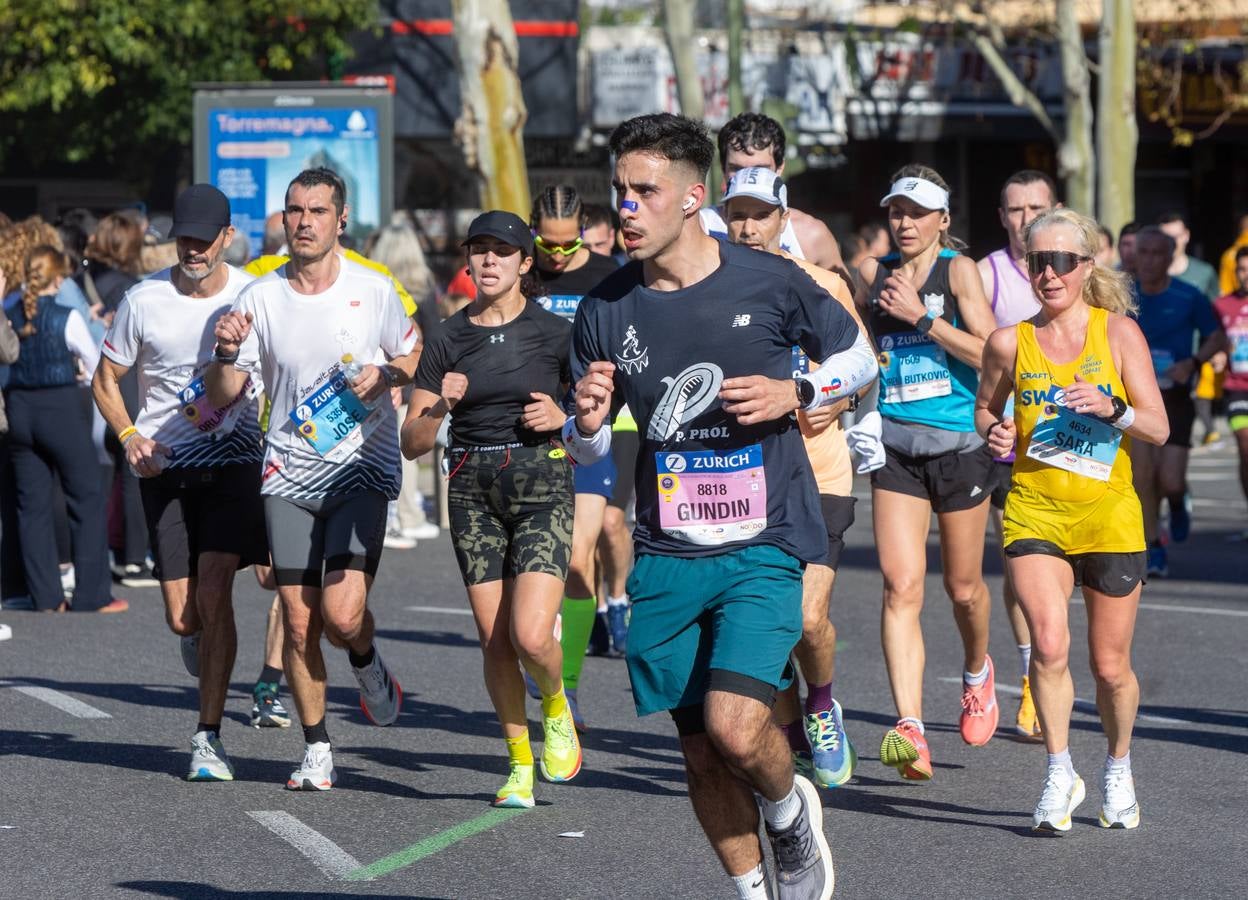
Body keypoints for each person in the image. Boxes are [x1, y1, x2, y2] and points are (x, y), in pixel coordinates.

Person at [569, 113, 876, 900]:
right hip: (668, 551)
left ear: (692, 197)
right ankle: (751, 891)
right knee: (701, 751)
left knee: (737, 726)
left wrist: (797, 389)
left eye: (645, 191)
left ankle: (786, 809)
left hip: (766, 536)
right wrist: (588, 425)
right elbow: (590, 455)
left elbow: (858, 359)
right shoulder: (606, 306)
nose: (626, 208)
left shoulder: (768, 279)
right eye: (620, 191)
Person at [206, 167, 421, 790]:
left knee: (342, 613)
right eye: (294, 210)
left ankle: (365, 657)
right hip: (288, 472)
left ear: (340, 219)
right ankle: (317, 746)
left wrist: (388, 377)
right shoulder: (258, 297)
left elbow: (413, 352)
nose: (304, 222)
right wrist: (223, 354)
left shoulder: (374, 288)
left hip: (362, 467)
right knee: (298, 621)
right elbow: (224, 395)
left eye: (317, 211)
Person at [975, 207, 1169, 831]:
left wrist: (1113, 409)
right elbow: (984, 410)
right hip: (1035, 508)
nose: (1050, 273)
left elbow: (1158, 427)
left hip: (1109, 514)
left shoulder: (1118, 335)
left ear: (1087, 268)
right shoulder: (1010, 341)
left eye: (1063, 261)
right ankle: (1060, 772)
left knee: (1110, 667)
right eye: (1039, 261)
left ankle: (1117, 767)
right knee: (1049, 644)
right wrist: (996, 430)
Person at [93, 184, 275, 780]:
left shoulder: (256, 293)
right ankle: (198, 639)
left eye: (204, 239)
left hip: (234, 463)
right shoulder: (142, 299)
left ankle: (209, 736)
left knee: (217, 589)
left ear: (227, 237)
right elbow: (106, 379)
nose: (192, 250)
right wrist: (129, 438)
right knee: (183, 615)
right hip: (163, 466)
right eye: (184, 239)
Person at [401, 210, 582, 808]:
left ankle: (555, 704)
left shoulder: (557, 334)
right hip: (471, 485)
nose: (487, 261)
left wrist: (565, 417)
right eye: (478, 250)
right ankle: (519, 765)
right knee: (493, 639)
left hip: (541, 482)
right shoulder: (449, 337)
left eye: (501, 252)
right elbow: (413, 441)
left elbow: (596, 414)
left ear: (526, 263)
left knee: (531, 636)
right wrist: (439, 406)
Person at [723, 165, 870, 789]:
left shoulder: (821, 284)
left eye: (761, 213)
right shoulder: (711, 290)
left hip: (820, 470)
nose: (749, 226)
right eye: (739, 214)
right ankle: (783, 730)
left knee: (808, 620)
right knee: (768, 621)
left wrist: (821, 395)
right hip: (742, 477)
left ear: (786, 218)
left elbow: (860, 369)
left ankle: (820, 707)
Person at [856, 165, 1000, 781]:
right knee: (900, 585)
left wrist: (922, 320)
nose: (905, 222)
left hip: (960, 446)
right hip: (896, 449)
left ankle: (977, 671)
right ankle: (910, 725)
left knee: (963, 589)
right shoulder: (875, 273)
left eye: (917, 212)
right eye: (896, 211)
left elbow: (996, 351)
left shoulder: (958, 271)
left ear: (943, 219)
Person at [527, 185, 625, 728]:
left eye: (568, 246)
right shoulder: (520, 267)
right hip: (527, 432)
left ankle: (565, 690)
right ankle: (536, 651)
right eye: (549, 245)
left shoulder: (610, 273)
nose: (557, 257)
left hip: (588, 429)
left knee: (579, 558)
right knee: (533, 567)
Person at [975, 169, 1059, 740]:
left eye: (1036, 208)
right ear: (1002, 216)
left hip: (1080, 443)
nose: (1026, 219)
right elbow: (981, 356)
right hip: (1015, 446)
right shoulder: (989, 274)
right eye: (1015, 210)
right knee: (1021, 562)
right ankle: (1034, 671)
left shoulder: (1080, 267)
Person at [5, 246, 126, 613]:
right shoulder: (66, 316)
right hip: (59, 406)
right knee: (86, 497)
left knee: (32, 505)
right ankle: (91, 594)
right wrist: (76, 373)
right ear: (58, 279)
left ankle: (44, 596)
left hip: (18, 409)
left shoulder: (9, 312)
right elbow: (93, 366)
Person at [1129, 226, 1224, 577]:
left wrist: (1193, 363)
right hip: (1135, 397)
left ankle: (1177, 500)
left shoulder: (1189, 295)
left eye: (1158, 253)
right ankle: (1154, 547)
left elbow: (1217, 337)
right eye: (1145, 253)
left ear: (1171, 258)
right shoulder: (1124, 295)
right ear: (1135, 256)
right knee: (1143, 475)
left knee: (1169, 478)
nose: (1151, 260)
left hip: (1175, 396)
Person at [364, 211, 442, 547]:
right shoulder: (424, 291)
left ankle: (395, 516)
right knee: (407, 452)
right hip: (414, 382)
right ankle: (407, 515)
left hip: (379, 378)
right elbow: (435, 339)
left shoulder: (375, 287)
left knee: (385, 448)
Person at [700, 112, 847, 280]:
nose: (748, 178)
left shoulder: (811, 235)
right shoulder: (697, 228)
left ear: (780, 168)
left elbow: (845, 300)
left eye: (760, 169)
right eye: (737, 168)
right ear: (722, 168)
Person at [1213, 247, 1248, 535]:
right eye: (1242, 270)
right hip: (1237, 389)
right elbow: (1215, 340)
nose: (1246, 275)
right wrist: (1220, 355)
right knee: (1246, 445)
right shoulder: (1223, 306)